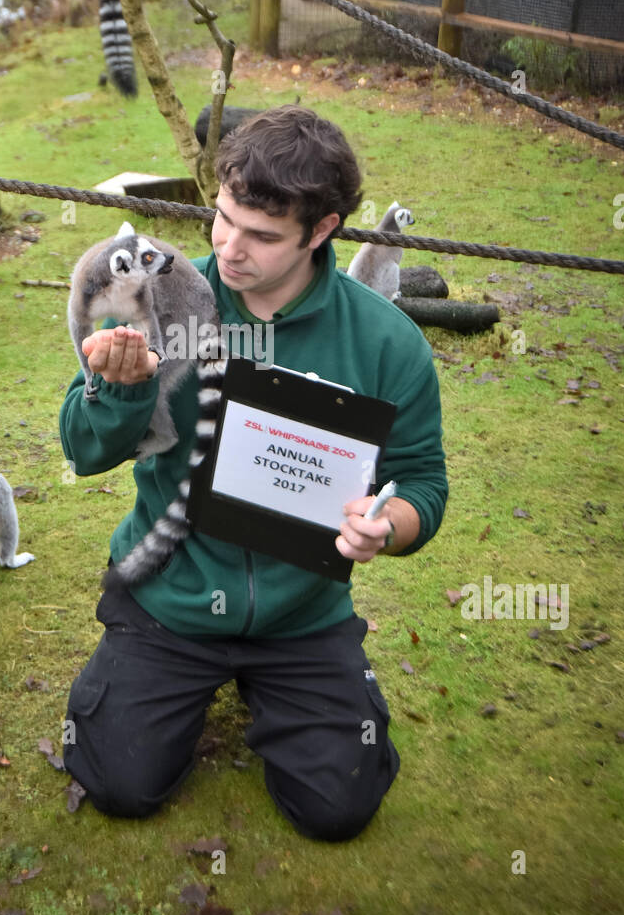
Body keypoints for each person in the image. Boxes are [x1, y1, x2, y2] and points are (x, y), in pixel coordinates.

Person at [60, 106, 448, 841]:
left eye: (262, 236)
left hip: (300, 614)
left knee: (338, 808)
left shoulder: (385, 340)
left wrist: (387, 527)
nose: (229, 249)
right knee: (116, 779)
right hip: (168, 597)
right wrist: (120, 391)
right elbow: (82, 452)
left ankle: (280, 690)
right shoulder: (159, 297)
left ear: (321, 230)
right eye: (222, 219)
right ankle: (169, 683)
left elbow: (422, 481)